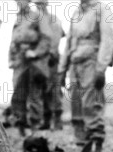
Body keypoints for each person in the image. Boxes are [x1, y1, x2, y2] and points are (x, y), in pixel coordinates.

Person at [59, 0, 113, 152]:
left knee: (91, 104)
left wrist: (101, 67)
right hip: (74, 63)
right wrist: (62, 69)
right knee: (76, 105)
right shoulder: (76, 13)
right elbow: (69, 43)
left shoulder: (102, 9)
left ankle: (96, 143)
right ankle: (82, 145)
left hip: (91, 62)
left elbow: (107, 39)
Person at [9, 0, 53, 136]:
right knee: (18, 94)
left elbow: (47, 38)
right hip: (19, 61)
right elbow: (13, 41)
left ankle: (35, 127)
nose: (18, 3)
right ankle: (20, 126)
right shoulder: (18, 18)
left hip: (34, 62)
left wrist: (35, 52)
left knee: (35, 94)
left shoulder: (38, 16)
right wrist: (11, 59)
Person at [37, 0, 65, 131]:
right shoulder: (36, 21)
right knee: (43, 90)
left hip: (51, 60)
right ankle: (46, 120)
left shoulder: (53, 20)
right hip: (40, 61)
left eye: (40, 4)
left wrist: (52, 54)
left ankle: (57, 121)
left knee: (54, 89)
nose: (39, 7)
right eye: (37, 5)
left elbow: (58, 36)